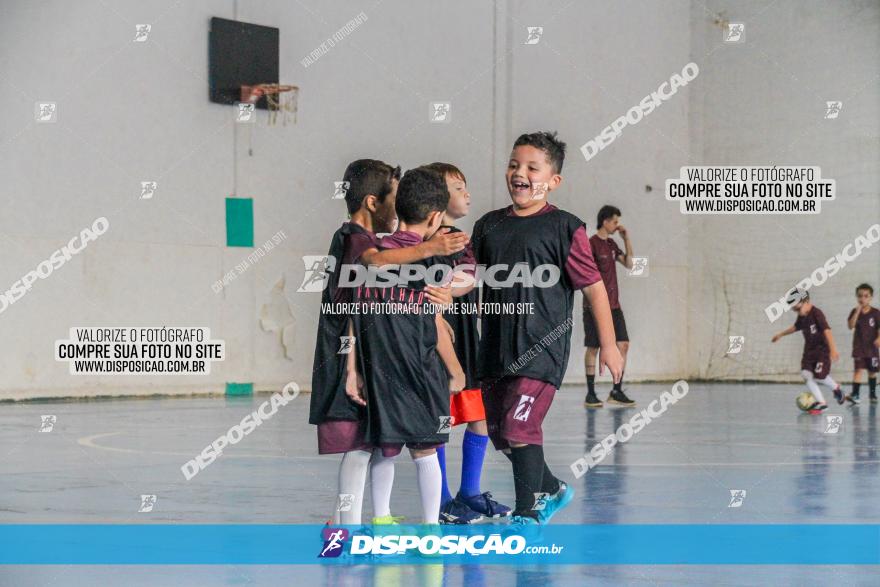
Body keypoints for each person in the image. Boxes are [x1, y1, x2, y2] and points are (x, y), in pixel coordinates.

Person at [472, 131, 623, 527]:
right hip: (495, 349)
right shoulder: (488, 225)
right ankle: (553, 488)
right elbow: (467, 277)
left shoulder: (564, 227)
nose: (519, 173)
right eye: (513, 165)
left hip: (542, 348)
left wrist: (608, 344)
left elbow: (594, 288)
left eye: (532, 168)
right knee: (501, 433)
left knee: (520, 425)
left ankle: (529, 512)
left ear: (553, 181)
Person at [583, 205, 635, 408]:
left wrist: (626, 239)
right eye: (615, 221)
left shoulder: (612, 244)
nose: (617, 225)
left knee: (623, 344)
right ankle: (590, 393)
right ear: (605, 221)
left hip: (614, 305)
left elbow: (631, 264)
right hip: (594, 306)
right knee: (594, 347)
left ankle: (616, 389)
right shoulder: (591, 243)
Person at [771, 291, 857, 410]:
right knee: (806, 374)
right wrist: (781, 334)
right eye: (794, 310)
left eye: (797, 308)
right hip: (809, 351)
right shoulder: (802, 315)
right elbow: (796, 327)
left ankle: (837, 389)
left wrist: (833, 349)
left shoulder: (817, 313)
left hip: (821, 350)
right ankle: (822, 403)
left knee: (819, 376)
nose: (797, 312)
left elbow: (827, 330)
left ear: (806, 301)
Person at [847, 283, 880, 403]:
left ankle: (872, 395)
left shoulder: (876, 313)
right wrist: (857, 312)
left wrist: (879, 338)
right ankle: (855, 395)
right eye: (860, 296)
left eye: (866, 296)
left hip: (872, 349)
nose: (863, 298)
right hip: (859, 348)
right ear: (857, 297)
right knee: (858, 370)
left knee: (872, 372)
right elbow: (851, 326)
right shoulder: (854, 311)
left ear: (871, 297)